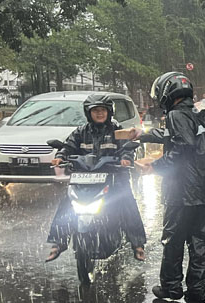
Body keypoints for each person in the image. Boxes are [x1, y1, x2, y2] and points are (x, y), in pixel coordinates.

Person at [139, 71, 205, 303]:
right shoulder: (192, 114)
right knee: (198, 241)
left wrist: (155, 166)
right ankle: (197, 290)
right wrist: (142, 135)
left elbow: (182, 145)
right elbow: (174, 136)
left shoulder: (175, 114)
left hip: (182, 191)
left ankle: (172, 288)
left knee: (173, 240)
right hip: (203, 190)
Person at [45, 94, 146, 262]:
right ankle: (58, 242)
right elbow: (68, 146)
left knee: (127, 202)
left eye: (102, 110)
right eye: (95, 111)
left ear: (109, 112)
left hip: (114, 177)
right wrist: (60, 156)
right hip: (84, 179)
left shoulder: (117, 130)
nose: (99, 114)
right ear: (88, 113)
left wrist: (126, 158)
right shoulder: (81, 131)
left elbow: (127, 148)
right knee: (66, 204)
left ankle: (138, 244)